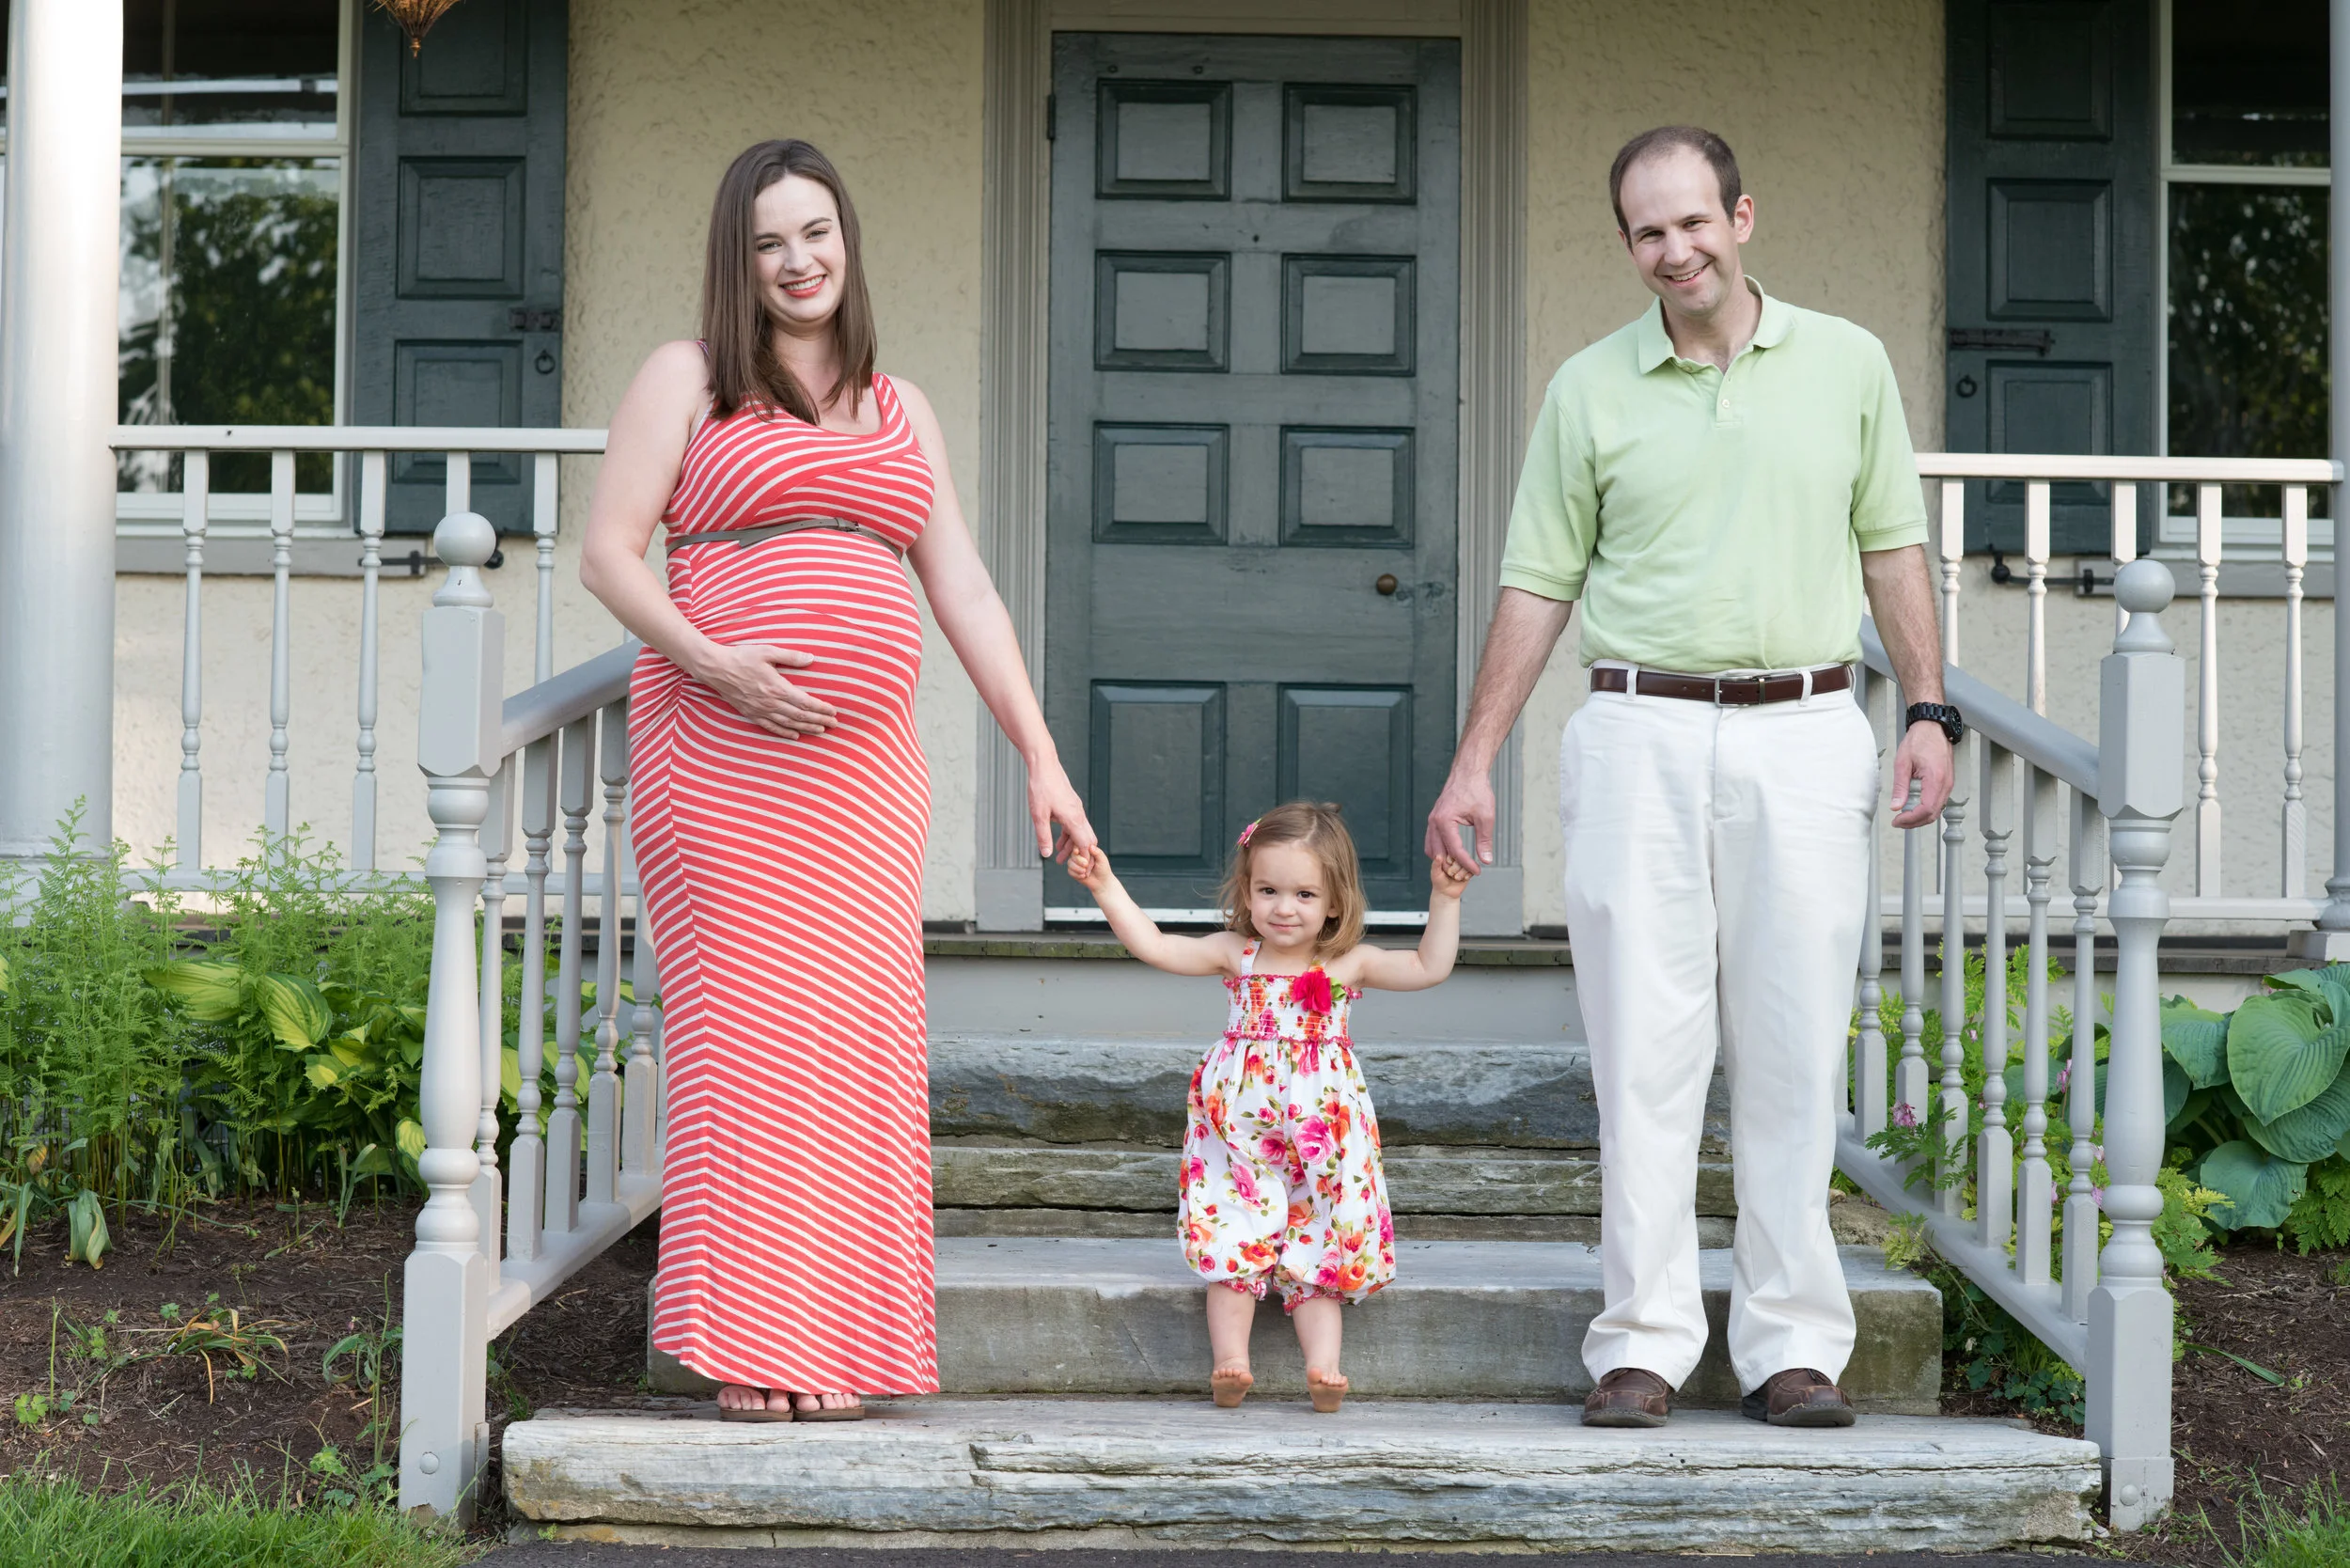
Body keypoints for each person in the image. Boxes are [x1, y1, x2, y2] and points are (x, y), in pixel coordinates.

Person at [1423, 126, 1959, 1429]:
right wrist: (1473, 760)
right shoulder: (1588, 389)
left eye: (1694, 222)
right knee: (1642, 1056)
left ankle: (1792, 1348)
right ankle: (1643, 1344)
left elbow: (1892, 548)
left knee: (1792, 1050)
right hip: (1637, 732)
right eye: (1649, 232)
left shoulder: (1848, 364)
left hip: (1805, 729)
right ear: (1629, 246)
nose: (1676, 250)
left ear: (1742, 216)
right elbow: (1538, 582)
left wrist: (1927, 707)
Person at [580, 139, 1096, 1422]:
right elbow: (609, 555)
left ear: (847, 241)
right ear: (738, 260)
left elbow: (962, 588)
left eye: (816, 232)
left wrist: (1040, 755)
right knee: (748, 1041)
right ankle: (752, 1346)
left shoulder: (900, 404)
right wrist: (717, 661)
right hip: (721, 758)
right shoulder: (688, 377)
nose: (797, 260)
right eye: (768, 242)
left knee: (854, 1050)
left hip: (865, 779)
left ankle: (843, 1346)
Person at [1070, 803, 1470, 1413]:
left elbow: (1428, 966)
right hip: (1240, 1127)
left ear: (1334, 901)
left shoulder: (1348, 962)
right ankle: (1231, 1362)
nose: (1284, 907)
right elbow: (1156, 945)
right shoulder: (1238, 953)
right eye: (1269, 890)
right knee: (1233, 1226)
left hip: (1322, 1132)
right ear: (1248, 890)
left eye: (1304, 894)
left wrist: (1445, 899)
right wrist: (1104, 884)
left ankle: (1323, 1369)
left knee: (1321, 1232)